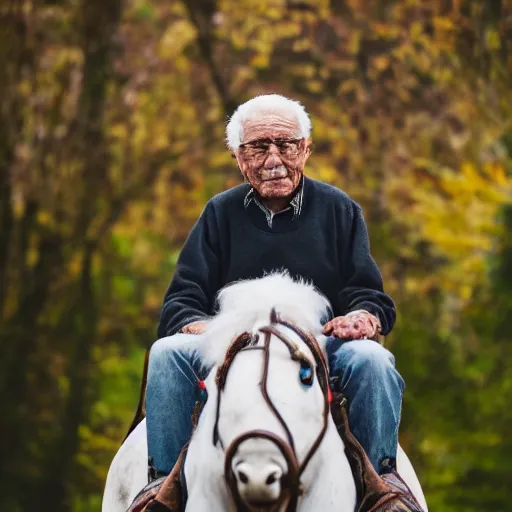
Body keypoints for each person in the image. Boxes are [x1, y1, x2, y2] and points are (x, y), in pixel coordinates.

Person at [146, 94, 403, 483]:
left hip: (319, 344)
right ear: (237, 156)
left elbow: (367, 292)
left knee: (374, 362)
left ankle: (380, 485)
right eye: (258, 147)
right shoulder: (219, 213)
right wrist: (201, 327)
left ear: (306, 149)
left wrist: (361, 317)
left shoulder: (340, 209)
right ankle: (163, 486)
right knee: (166, 354)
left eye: (284, 145)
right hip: (233, 342)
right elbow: (182, 299)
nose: (272, 160)